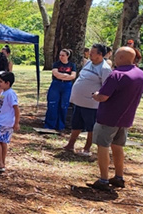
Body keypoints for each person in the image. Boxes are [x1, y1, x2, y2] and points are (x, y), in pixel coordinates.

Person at [88, 47, 143, 191]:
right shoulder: (140, 74)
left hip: (108, 118)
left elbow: (103, 96)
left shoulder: (117, 75)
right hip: (125, 118)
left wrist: (95, 95)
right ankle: (119, 177)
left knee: (103, 146)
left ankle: (104, 179)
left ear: (120, 58)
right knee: (118, 146)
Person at [63, 44, 112, 156]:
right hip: (79, 102)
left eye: (93, 53)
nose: (90, 54)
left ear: (100, 55)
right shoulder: (89, 63)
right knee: (76, 124)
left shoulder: (105, 69)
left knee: (90, 127)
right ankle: (70, 145)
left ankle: (87, 148)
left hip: (91, 104)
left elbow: (106, 87)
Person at [0, 72, 20, 172]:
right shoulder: (3, 93)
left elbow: (16, 108)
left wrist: (16, 122)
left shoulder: (10, 94)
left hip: (5, 122)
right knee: (2, 142)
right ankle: (2, 162)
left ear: (7, 83)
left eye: (1, 82)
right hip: (2, 121)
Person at [44, 49, 77, 131]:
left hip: (67, 86)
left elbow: (73, 76)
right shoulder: (56, 64)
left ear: (67, 56)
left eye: (63, 55)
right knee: (53, 104)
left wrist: (64, 76)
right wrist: (65, 75)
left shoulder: (72, 65)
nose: (61, 57)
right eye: (60, 55)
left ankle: (61, 125)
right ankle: (50, 125)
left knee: (64, 105)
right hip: (56, 84)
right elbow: (56, 74)